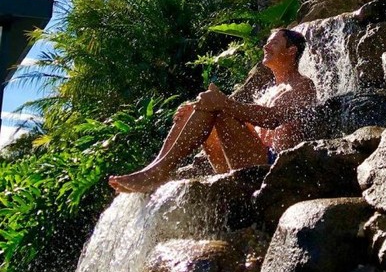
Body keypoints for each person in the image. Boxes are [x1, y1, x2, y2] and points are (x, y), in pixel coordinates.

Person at [108, 28, 316, 193]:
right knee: (194, 109)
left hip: (273, 166)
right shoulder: (268, 90)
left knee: (218, 108)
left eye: (274, 43)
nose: (266, 46)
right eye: (267, 42)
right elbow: (251, 128)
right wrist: (197, 109)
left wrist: (223, 103)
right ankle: (154, 169)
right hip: (245, 159)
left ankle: (158, 172)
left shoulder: (303, 86)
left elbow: (273, 119)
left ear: (291, 51)